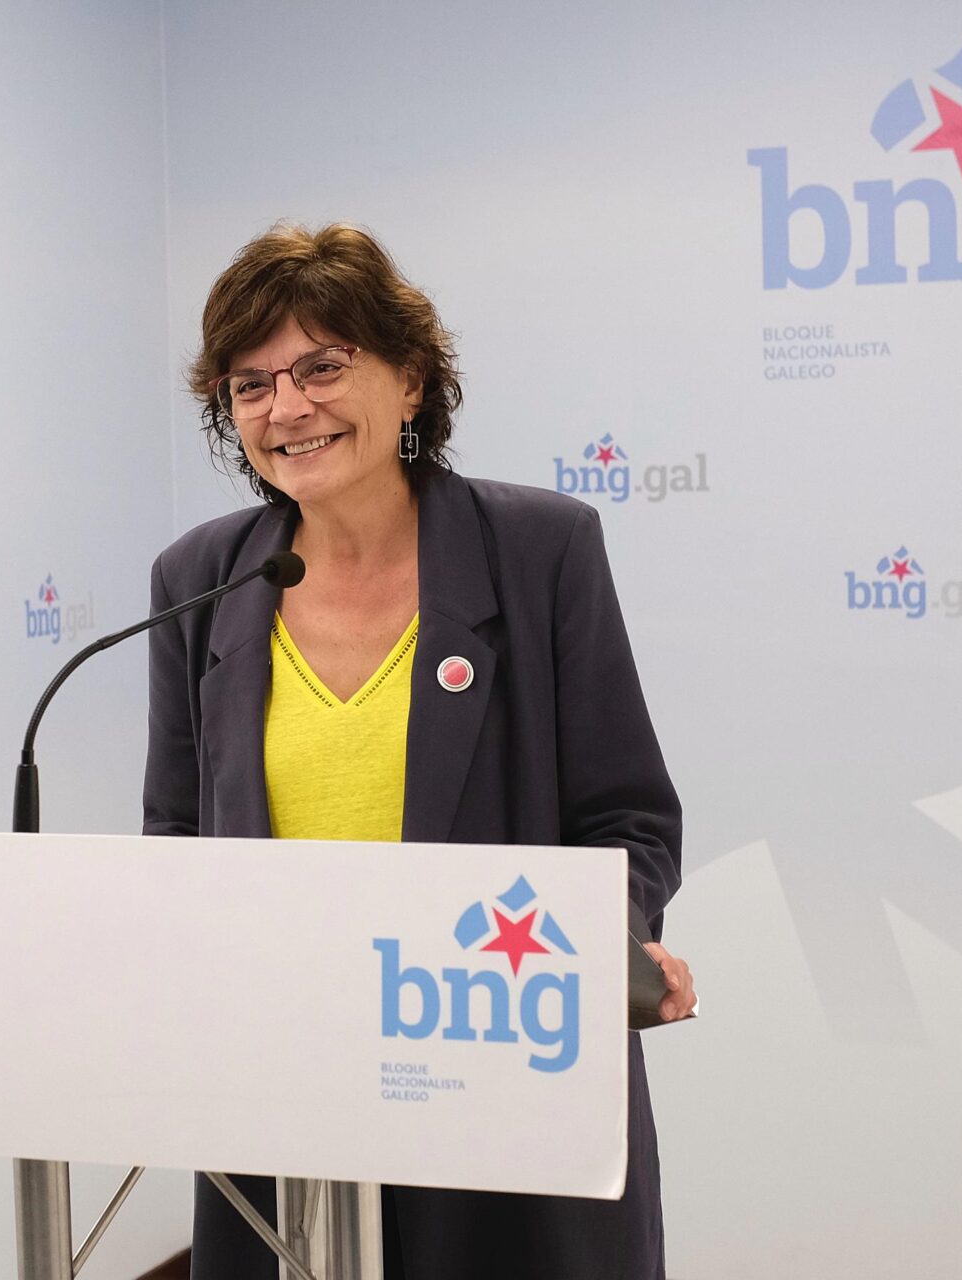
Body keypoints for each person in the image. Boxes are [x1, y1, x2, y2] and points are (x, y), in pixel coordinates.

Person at [143, 223, 695, 1280]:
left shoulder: (539, 550)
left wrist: (605, 944)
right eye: (251, 385)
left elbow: (627, 815)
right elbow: (174, 832)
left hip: (495, 1065)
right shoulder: (199, 579)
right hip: (277, 1073)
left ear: (410, 379)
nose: (287, 407)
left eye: (322, 367)